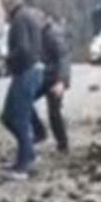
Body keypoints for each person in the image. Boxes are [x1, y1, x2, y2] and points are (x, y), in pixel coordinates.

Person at [0, 0, 44, 180]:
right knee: (9, 116)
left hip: (25, 73)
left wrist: (7, 59)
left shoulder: (19, 20)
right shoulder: (29, 16)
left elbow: (24, 49)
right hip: (31, 71)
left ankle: (23, 166)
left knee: (18, 119)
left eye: (3, 0)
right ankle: (28, 155)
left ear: (9, 1)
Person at [32, 16, 72, 154]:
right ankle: (39, 131)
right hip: (42, 76)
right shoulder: (37, 34)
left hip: (55, 78)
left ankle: (63, 144)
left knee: (54, 112)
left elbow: (63, 57)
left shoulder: (53, 34)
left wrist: (61, 81)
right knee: (24, 100)